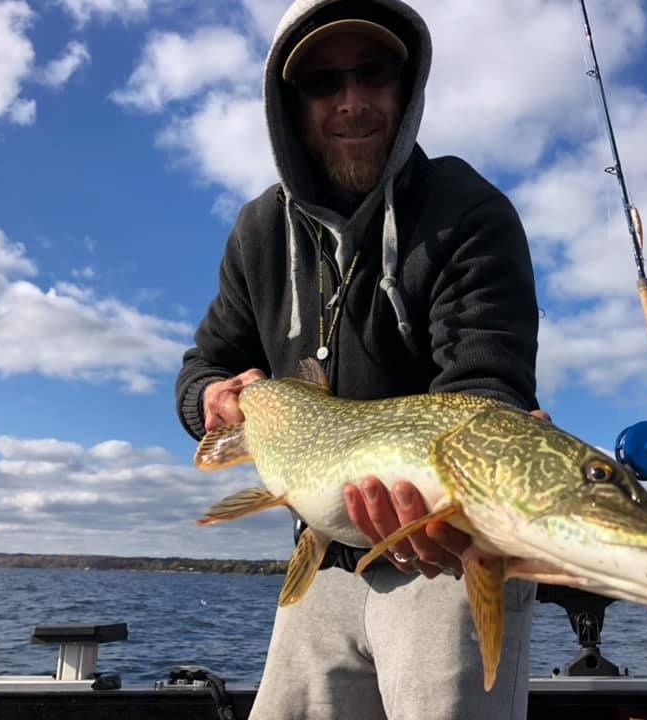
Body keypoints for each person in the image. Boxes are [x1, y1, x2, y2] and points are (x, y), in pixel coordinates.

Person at [175, 1, 544, 717]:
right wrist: (215, 400)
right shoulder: (259, 231)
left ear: (406, 91)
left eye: (374, 74)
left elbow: (483, 381)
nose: (352, 101)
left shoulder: (465, 210)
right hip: (317, 565)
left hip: (445, 565)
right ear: (289, 104)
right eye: (323, 83)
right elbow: (205, 363)